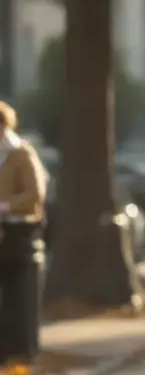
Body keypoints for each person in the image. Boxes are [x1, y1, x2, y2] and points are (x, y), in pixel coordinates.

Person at [0, 101, 49, 365]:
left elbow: (35, 194)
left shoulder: (20, 152)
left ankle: (19, 354)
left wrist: (5, 206)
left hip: (17, 232)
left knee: (18, 299)